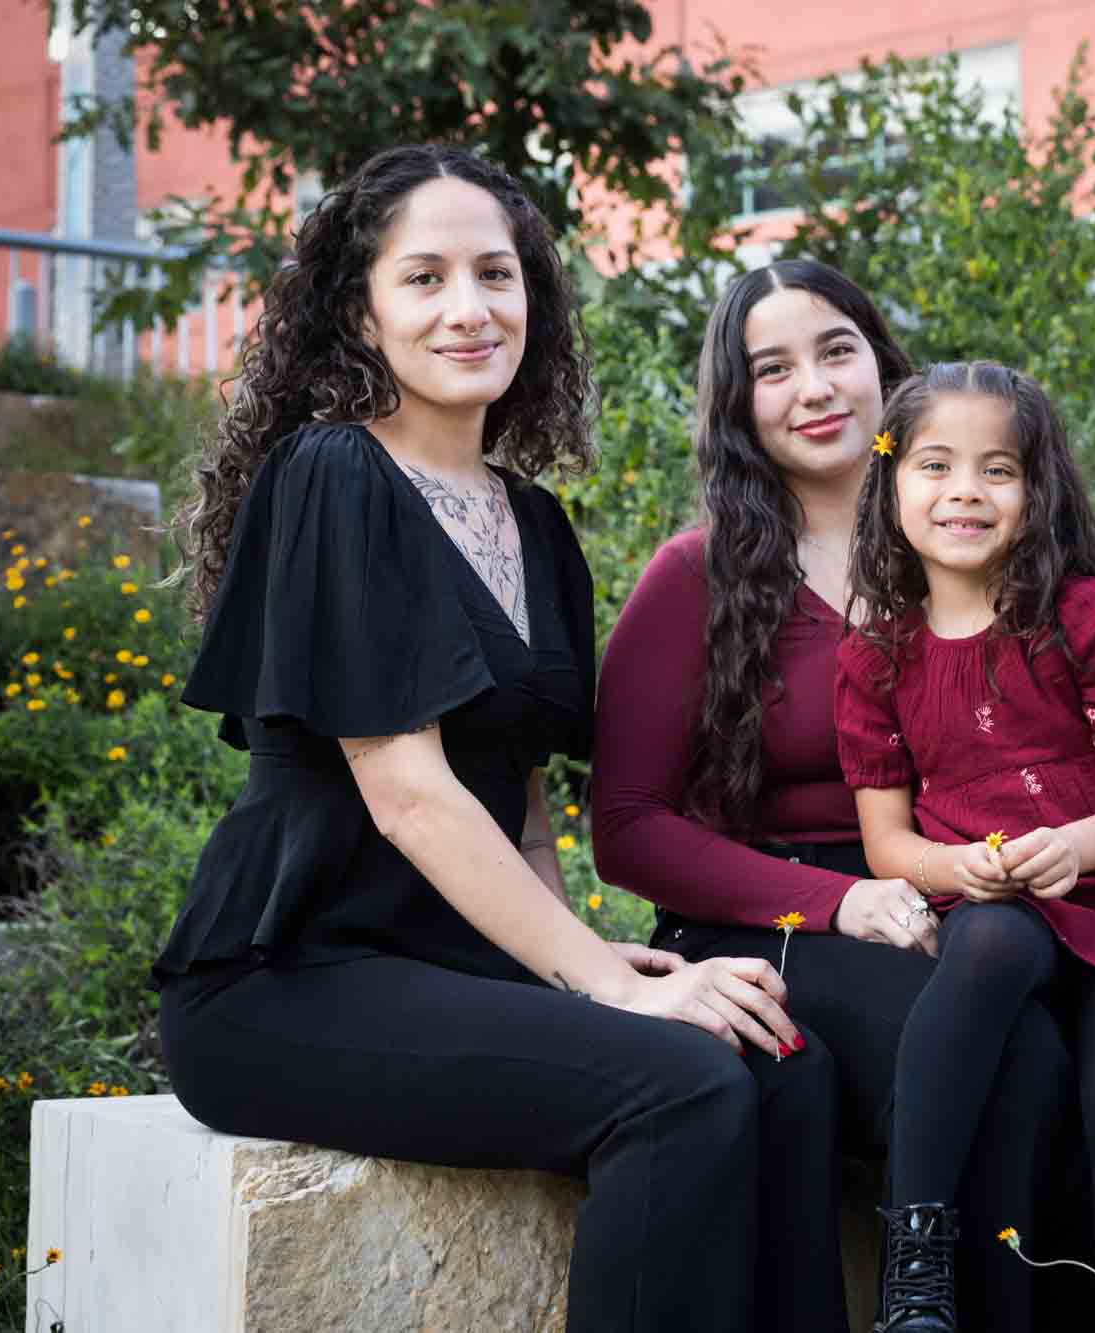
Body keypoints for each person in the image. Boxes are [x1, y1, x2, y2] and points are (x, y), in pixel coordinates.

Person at [152, 145, 824, 1333]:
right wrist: (607, 986)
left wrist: (576, 957)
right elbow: (408, 791)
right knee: (674, 1087)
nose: (470, 309)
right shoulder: (333, 474)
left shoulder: (534, 524)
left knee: (780, 1057)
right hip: (288, 979)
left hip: (445, 968)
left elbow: (516, 806)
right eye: (424, 279)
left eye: (496, 275)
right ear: (360, 311)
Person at [592, 261, 1095, 1331]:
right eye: (770, 368)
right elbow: (627, 831)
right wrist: (835, 904)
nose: (813, 387)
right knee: (1006, 1059)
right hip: (766, 915)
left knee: (1055, 1058)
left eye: (834, 350)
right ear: (739, 406)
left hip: (961, 901)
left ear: (881, 364)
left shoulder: (973, 551)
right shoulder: (695, 577)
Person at [836, 361, 1095, 1333]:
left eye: (996, 469)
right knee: (991, 940)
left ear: (1036, 493)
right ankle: (917, 1257)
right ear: (889, 486)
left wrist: (1076, 846)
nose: (964, 490)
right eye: (934, 465)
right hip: (995, 899)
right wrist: (952, 868)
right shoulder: (876, 654)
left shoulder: (1082, 617)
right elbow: (886, 840)